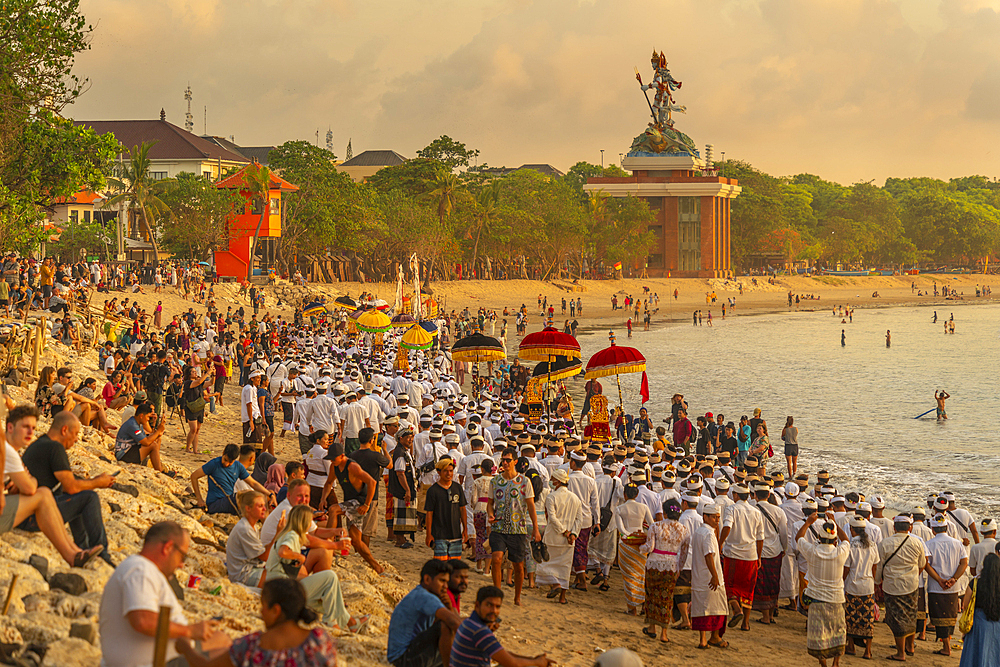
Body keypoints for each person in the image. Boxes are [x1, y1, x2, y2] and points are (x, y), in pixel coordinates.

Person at [99, 522, 226, 667]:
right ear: (168, 548)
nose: (181, 565)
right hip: (156, 662)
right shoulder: (140, 569)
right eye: (182, 557)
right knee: (231, 656)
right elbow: (143, 621)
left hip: (165, 655)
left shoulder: (143, 570)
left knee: (222, 640)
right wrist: (189, 631)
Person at [2, 404, 104, 569]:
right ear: (10, 427)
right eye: (25, 427)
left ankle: (76, 552)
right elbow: (30, 488)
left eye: (33, 428)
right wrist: (30, 480)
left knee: (46, 493)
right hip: (10, 515)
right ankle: (81, 554)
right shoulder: (10, 453)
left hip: (10, 508)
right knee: (45, 493)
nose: (30, 432)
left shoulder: (13, 451)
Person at [176, 578, 338, 667]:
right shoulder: (319, 640)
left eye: (263, 606)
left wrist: (185, 647)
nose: (260, 612)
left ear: (276, 610)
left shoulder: (250, 646)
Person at [264, 503, 365, 633]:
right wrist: (300, 557)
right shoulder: (292, 535)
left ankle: (351, 623)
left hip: (277, 588)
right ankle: (331, 622)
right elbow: (283, 552)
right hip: (281, 591)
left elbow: (308, 543)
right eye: (310, 520)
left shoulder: (289, 533)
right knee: (330, 576)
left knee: (328, 599)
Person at [318, 439, 385, 574]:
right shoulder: (334, 466)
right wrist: (322, 499)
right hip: (351, 502)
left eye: (334, 458)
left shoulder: (352, 466)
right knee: (356, 541)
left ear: (342, 456)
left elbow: (372, 482)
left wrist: (367, 504)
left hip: (360, 502)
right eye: (330, 459)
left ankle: (330, 545)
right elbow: (328, 483)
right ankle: (377, 567)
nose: (332, 461)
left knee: (333, 510)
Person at [450, 585, 556, 667]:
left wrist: (533, 660)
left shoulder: (468, 622)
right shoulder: (480, 631)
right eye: (489, 605)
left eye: (497, 607)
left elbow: (502, 654)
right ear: (477, 605)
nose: (494, 611)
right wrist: (537, 662)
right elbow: (512, 662)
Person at [487, 446, 541, 607]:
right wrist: (490, 514)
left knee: (518, 564)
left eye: (508, 460)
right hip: (499, 526)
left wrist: (536, 529)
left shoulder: (525, 482)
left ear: (515, 461)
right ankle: (497, 594)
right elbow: (490, 503)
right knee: (496, 558)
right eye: (503, 460)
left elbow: (531, 506)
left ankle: (517, 596)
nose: (505, 462)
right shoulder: (495, 481)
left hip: (518, 528)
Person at [796, 513, 851, 667]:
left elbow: (798, 538)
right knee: (838, 632)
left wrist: (808, 522)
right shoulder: (840, 552)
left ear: (819, 538)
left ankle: (824, 665)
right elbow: (846, 540)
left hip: (817, 600)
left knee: (819, 636)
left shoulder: (813, 551)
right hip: (836, 599)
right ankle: (836, 663)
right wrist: (835, 523)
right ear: (835, 540)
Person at [387, 559, 463, 667]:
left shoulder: (421, 593)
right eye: (442, 581)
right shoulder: (425, 596)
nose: (446, 586)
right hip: (403, 659)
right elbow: (454, 622)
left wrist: (449, 607)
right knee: (446, 625)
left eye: (447, 582)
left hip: (405, 655)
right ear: (427, 579)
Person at [877, 514, 927, 661]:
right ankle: (910, 646)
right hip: (911, 584)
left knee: (896, 618)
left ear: (894, 527)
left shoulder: (885, 543)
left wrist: (876, 581)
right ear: (910, 528)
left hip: (892, 585)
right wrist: (913, 574)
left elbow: (879, 566)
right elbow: (922, 563)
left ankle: (900, 653)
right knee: (911, 615)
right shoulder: (917, 542)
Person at [641, 496, 689, 643]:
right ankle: (664, 633)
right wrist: (679, 568)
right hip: (671, 565)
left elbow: (649, 547)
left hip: (654, 563)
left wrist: (638, 547)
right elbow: (684, 553)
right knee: (666, 598)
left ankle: (652, 627)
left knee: (652, 596)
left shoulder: (656, 526)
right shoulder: (684, 530)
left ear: (665, 513)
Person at [719, 483, 764, 631]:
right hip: (750, 555)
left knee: (730, 585)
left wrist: (720, 543)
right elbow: (760, 537)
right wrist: (758, 556)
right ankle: (745, 622)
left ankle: (736, 609)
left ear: (736, 495)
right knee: (747, 589)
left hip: (733, 553)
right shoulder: (756, 512)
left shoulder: (732, 509)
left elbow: (727, 526)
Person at [535, 468, 582, 605]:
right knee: (564, 568)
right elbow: (579, 519)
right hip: (568, 540)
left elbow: (552, 518)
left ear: (557, 481)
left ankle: (555, 585)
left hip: (554, 537)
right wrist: (573, 533)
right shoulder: (575, 498)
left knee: (547, 565)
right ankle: (562, 597)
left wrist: (565, 532)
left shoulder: (552, 497)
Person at [925, 512, 968, 656]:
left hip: (936, 586)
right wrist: (954, 579)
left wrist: (939, 579)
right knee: (950, 615)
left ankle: (946, 646)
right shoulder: (957, 543)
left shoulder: (929, 544)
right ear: (946, 528)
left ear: (933, 529)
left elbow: (926, 565)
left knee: (938, 615)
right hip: (952, 587)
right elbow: (964, 563)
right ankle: (947, 643)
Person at [191, 443, 274, 515]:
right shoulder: (214, 464)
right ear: (223, 453)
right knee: (243, 495)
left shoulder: (238, 466)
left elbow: (253, 483)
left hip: (229, 501)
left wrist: (270, 494)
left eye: (230, 462)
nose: (226, 464)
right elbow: (194, 476)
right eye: (225, 460)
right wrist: (199, 499)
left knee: (261, 497)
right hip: (215, 503)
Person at [226, 490, 283, 588]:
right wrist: (278, 533)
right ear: (248, 508)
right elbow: (264, 556)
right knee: (284, 581)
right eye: (260, 506)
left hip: (250, 568)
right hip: (243, 575)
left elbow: (261, 551)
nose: (264, 509)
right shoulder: (245, 529)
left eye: (264, 505)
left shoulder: (252, 526)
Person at [691, 503, 729, 649]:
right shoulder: (707, 534)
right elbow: (709, 556)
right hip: (710, 578)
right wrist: (714, 575)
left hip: (700, 577)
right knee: (716, 609)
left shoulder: (699, 532)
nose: (717, 520)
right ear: (705, 517)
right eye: (714, 517)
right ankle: (714, 637)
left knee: (702, 608)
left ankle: (703, 639)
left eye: (718, 517)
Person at [613, 483, 654, 616]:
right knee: (641, 575)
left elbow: (621, 529)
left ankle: (632, 608)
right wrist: (641, 536)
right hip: (641, 545)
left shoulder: (620, 509)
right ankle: (643, 605)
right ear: (636, 495)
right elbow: (652, 525)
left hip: (626, 545)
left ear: (625, 494)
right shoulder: (643, 507)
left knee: (629, 577)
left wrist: (629, 537)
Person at [843, 516, 879, 659]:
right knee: (868, 620)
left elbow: (846, 568)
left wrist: (842, 581)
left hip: (852, 585)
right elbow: (875, 566)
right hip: (868, 586)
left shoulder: (850, 545)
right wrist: (874, 582)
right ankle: (867, 651)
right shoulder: (872, 544)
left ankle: (851, 646)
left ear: (852, 529)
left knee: (851, 618)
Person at [958, 553, 1000, 667]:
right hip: (997, 624)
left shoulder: (975, 582)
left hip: (978, 622)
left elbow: (965, 605)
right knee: (994, 654)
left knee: (974, 655)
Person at [424, 456, 468, 562]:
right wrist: (428, 534)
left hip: (455, 533)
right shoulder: (432, 490)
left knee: (454, 565)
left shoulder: (457, 488)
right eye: (445, 471)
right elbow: (429, 513)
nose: (449, 474)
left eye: (451, 471)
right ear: (439, 472)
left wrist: (465, 530)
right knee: (441, 564)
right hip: (439, 534)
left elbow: (462, 509)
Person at [114, 402, 166, 472]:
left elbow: (146, 438)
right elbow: (146, 442)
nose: (148, 419)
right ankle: (160, 471)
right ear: (141, 416)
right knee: (153, 445)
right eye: (148, 417)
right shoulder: (132, 424)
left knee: (155, 441)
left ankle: (157, 466)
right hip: (123, 455)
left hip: (129, 449)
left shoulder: (137, 423)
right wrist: (158, 431)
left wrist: (158, 433)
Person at [183, 364, 211, 454]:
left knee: (197, 429)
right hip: (191, 408)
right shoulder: (188, 383)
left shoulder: (198, 382)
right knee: (193, 429)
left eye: (195, 371)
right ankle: (188, 447)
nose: (195, 373)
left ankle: (195, 449)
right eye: (193, 372)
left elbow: (210, 383)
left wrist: (213, 374)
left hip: (199, 407)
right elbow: (198, 383)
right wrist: (207, 373)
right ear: (189, 374)